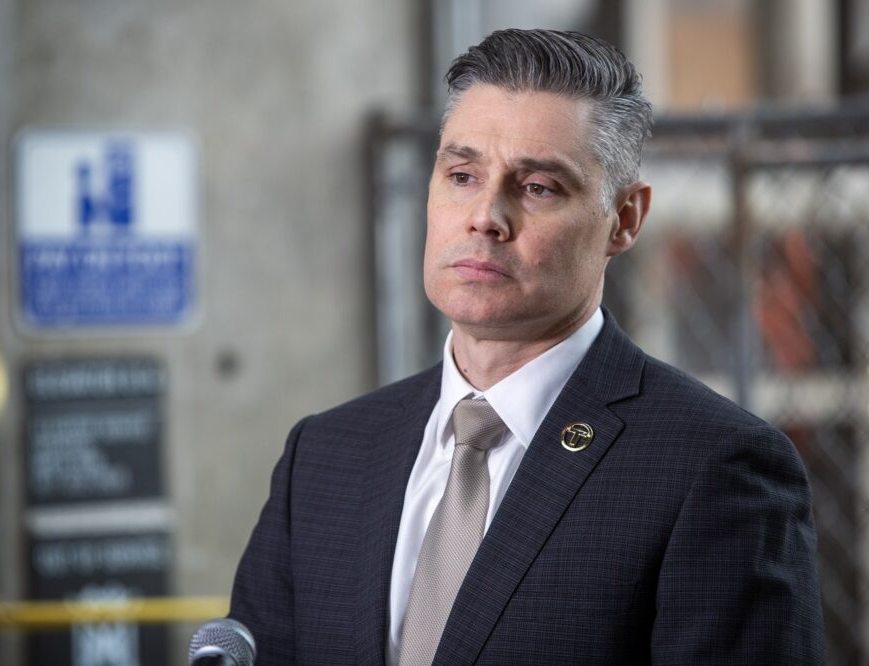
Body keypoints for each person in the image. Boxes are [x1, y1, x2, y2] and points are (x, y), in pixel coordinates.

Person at [229, 28, 824, 665]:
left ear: (624, 219)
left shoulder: (714, 467)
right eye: (462, 175)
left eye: (537, 187)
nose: (485, 215)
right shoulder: (324, 459)